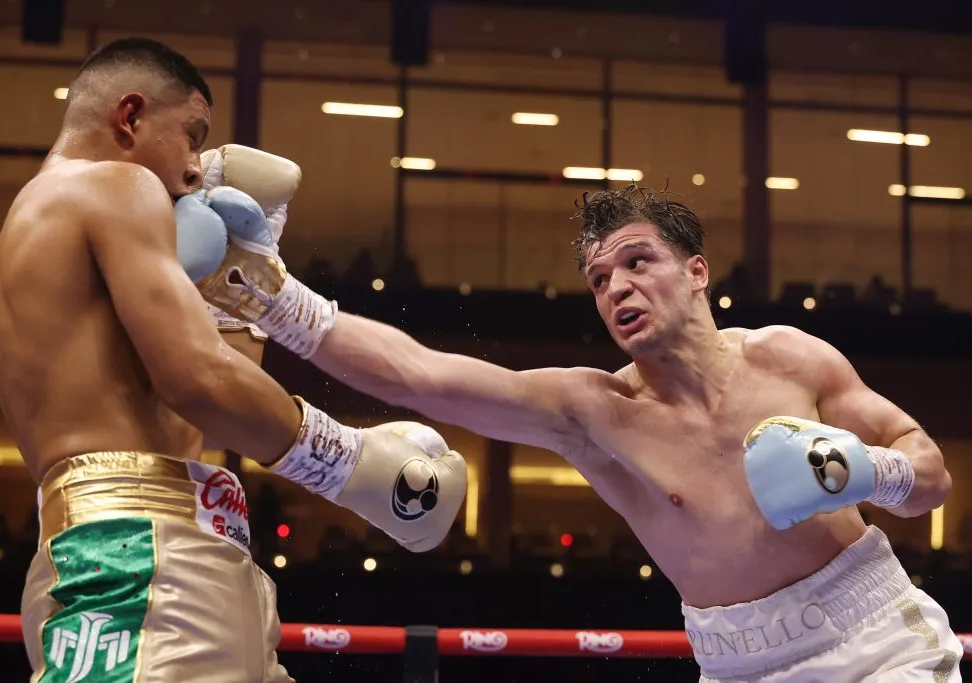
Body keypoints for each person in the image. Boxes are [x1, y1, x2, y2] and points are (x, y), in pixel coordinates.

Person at [195, 163, 961, 681]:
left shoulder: (792, 358)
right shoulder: (593, 412)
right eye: (599, 279)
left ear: (696, 272)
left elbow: (929, 474)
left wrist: (867, 468)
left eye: (637, 262)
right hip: (739, 662)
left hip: (875, 639)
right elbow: (419, 373)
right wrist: (277, 303)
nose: (617, 287)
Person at [0, 37, 467, 683]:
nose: (193, 169)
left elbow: (189, 414)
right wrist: (352, 464)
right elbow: (199, 380)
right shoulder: (115, 183)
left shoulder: (9, 257)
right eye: (191, 135)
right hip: (142, 562)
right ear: (130, 116)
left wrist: (237, 301)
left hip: (148, 549)